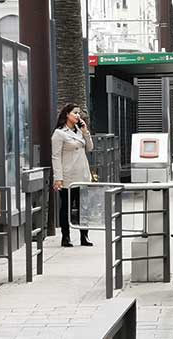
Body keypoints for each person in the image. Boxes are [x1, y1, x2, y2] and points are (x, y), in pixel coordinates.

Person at [51, 103, 94, 247]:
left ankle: (84, 236)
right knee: (66, 207)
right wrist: (58, 178)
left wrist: (86, 132)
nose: (78, 115)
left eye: (79, 113)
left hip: (83, 174)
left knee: (84, 207)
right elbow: (55, 156)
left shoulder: (80, 131)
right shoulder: (59, 133)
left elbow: (90, 148)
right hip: (68, 176)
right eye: (75, 113)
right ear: (67, 114)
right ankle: (66, 237)